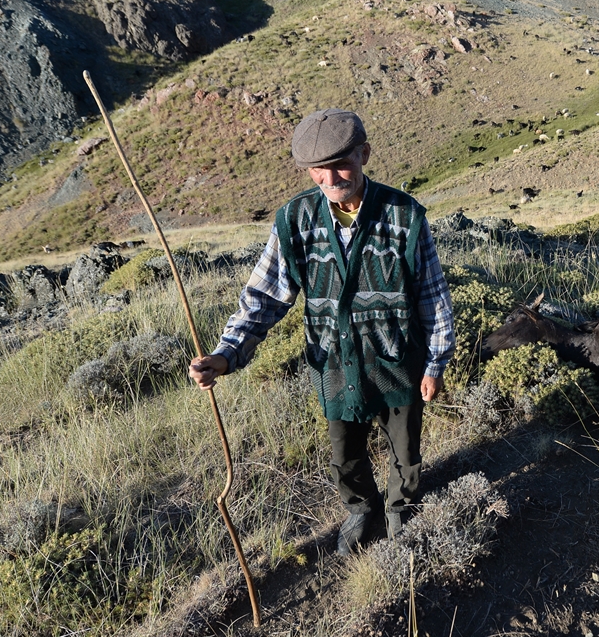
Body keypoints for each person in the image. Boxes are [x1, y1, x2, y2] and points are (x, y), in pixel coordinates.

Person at [188, 108, 455, 553]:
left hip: (398, 359)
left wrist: (435, 361)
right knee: (345, 454)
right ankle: (361, 509)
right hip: (334, 361)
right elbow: (266, 297)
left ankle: (400, 513)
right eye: (318, 169)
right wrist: (225, 354)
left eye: (341, 164)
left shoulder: (405, 216)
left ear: (365, 153)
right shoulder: (295, 221)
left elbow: (432, 296)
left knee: (405, 452)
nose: (331, 178)